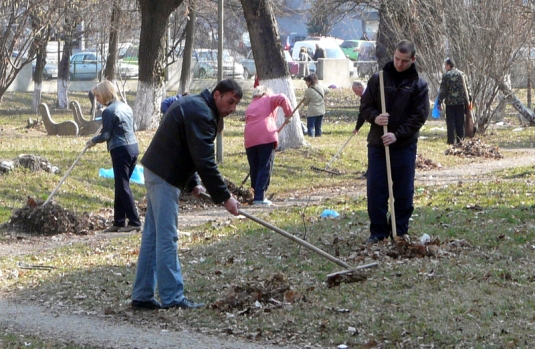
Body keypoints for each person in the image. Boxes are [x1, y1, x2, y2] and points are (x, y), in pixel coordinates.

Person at [131, 79, 243, 310]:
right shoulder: (201, 113)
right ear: (217, 95)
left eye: (236, 105)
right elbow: (204, 160)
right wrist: (225, 198)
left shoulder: (195, 105)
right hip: (164, 175)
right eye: (230, 102)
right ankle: (173, 298)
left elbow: (186, 146)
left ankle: (142, 295)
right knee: (166, 237)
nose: (232, 109)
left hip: (158, 170)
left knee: (153, 235)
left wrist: (193, 182)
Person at [358, 40, 429, 243]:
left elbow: (419, 116)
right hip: (378, 144)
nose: (399, 64)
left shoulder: (418, 85)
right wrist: (375, 118)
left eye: (404, 61)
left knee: (403, 190)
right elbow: (365, 106)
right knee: (376, 188)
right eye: (397, 58)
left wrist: (397, 134)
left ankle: (399, 231)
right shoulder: (378, 79)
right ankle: (378, 232)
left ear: (413, 60)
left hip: (404, 145)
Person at [86, 80, 142, 233]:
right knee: (120, 185)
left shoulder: (109, 112)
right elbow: (134, 127)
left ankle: (135, 221)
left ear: (104, 94)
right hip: (133, 148)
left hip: (120, 150)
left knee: (123, 186)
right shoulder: (126, 107)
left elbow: (105, 135)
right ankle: (119, 221)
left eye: (97, 96)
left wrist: (93, 141)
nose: (97, 99)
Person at [244, 85, 293, 206]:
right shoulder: (268, 98)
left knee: (254, 167)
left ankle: (254, 195)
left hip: (249, 137)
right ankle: (260, 197)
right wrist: (288, 114)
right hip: (265, 135)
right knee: (265, 166)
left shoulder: (251, 105)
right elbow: (282, 97)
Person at [438, 57, 471, 144]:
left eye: (445, 65)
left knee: (451, 122)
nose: (445, 67)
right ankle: (461, 140)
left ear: (449, 65)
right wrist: (469, 101)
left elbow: (443, 90)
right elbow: (467, 89)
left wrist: (440, 101)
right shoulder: (462, 74)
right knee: (460, 122)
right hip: (461, 103)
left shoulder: (446, 76)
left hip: (450, 103)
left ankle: (451, 141)